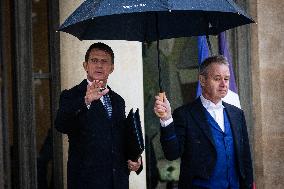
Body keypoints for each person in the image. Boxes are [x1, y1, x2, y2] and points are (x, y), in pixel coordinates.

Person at [154, 55, 253, 189]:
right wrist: (166, 119)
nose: (224, 84)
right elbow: (172, 154)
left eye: (227, 79)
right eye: (217, 79)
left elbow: (245, 157)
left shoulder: (237, 114)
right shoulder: (185, 114)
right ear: (203, 80)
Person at [55, 42, 142, 189]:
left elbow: (120, 138)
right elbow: (61, 125)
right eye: (94, 61)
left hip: (118, 181)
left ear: (111, 68)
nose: (99, 65)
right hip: (86, 182)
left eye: (104, 61)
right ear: (85, 66)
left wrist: (136, 159)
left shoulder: (118, 100)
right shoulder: (71, 95)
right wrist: (86, 100)